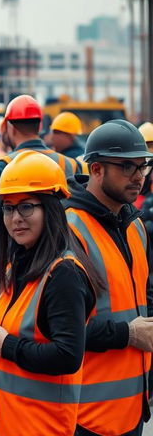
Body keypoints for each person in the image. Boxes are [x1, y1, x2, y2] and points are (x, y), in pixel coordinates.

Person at [0, 151, 100, 436]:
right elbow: (21, 334)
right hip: (9, 423)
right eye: (8, 208)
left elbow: (67, 355)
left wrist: (7, 347)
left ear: (50, 208)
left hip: (43, 427)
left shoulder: (63, 274)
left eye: (27, 207)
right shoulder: (20, 263)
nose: (15, 219)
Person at [64, 120, 153, 436]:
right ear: (97, 168)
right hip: (86, 414)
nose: (139, 175)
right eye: (127, 166)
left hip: (130, 409)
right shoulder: (69, 230)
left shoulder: (133, 226)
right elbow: (55, 329)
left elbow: (141, 299)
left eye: (143, 165)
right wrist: (126, 335)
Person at [0, 95, 80, 275]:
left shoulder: (4, 165)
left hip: (21, 262)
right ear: (40, 126)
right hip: (68, 258)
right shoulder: (71, 164)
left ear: (9, 127)